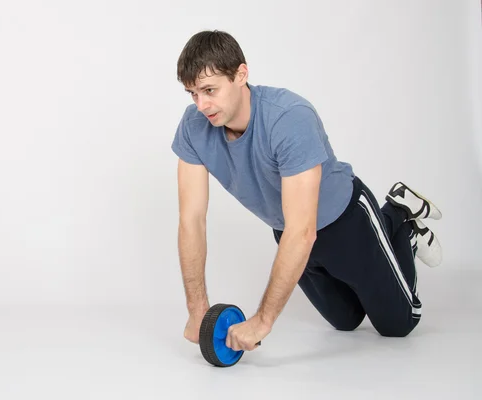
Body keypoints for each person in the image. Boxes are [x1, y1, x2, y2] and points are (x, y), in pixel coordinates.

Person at [171, 30, 443, 352]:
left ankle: (399, 217)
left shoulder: (289, 119)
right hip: (289, 232)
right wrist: (197, 309)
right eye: (192, 94)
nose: (201, 105)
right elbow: (192, 220)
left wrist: (262, 320)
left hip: (347, 224)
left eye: (209, 90)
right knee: (347, 321)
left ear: (241, 75)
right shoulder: (194, 126)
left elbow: (303, 231)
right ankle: (392, 229)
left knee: (398, 324)